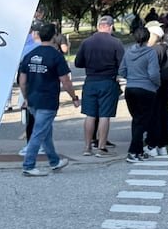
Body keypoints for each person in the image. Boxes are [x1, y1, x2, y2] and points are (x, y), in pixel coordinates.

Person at [19, 23, 79, 176]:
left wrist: (25, 97)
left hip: (33, 99)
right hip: (48, 99)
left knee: (45, 132)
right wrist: (74, 97)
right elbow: (65, 80)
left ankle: (54, 161)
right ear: (54, 37)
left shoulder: (30, 55)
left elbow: (22, 80)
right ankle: (28, 165)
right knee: (39, 132)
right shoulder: (55, 56)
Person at [74, 15, 124, 154]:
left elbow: (78, 62)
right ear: (111, 26)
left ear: (98, 26)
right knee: (104, 115)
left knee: (90, 115)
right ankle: (101, 146)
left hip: (90, 81)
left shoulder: (87, 42)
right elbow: (122, 65)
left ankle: (87, 147)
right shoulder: (116, 42)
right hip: (108, 81)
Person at [118, 26, 160, 163]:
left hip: (131, 88)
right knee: (142, 121)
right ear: (148, 38)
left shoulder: (129, 51)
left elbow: (122, 70)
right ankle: (133, 151)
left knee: (137, 120)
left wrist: (131, 77)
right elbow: (154, 73)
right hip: (146, 89)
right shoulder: (150, 53)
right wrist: (157, 84)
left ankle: (139, 152)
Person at [144, 21, 168, 157]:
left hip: (155, 86)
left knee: (153, 115)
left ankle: (152, 144)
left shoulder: (153, 50)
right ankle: (163, 145)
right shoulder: (167, 48)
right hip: (167, 85)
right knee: (163, 114)